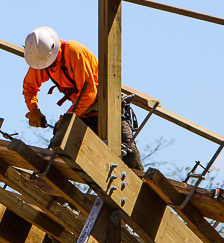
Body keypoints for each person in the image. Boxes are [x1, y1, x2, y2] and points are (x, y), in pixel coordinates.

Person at [22, 26, 143, 170]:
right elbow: (29, 87)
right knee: (60, 158)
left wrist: (68, 118)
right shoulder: (42, 60)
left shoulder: (73, 52)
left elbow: (89, 94)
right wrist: (33, 109)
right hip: (82, 114)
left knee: (129, 158)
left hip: (108, 111)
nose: (47, 66)